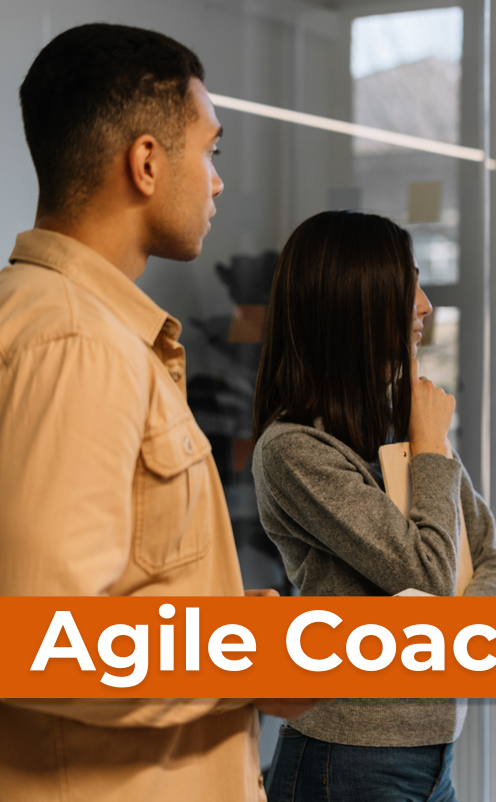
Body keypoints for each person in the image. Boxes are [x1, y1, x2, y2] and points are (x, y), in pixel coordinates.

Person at [0, 23, 316, 802]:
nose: (215, 181)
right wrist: (252, 657)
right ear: (145, 162)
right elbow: (49, 642)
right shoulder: (76, 343)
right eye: (210, 151)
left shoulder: (72, 328)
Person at [252, 210, 496, 802]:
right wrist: (430, 451)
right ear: (357, 303)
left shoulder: (406, 425)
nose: (425, 305)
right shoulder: (295, 450)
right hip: (345, 764)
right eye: (408, 288)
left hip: (435, 758)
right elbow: (423, 570)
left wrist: (451, 634)